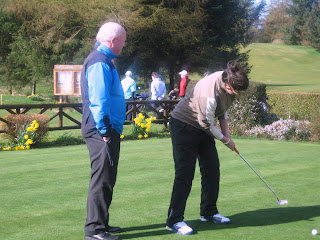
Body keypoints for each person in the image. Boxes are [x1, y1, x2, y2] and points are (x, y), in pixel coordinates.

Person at [166, 61, 249, 235]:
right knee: (185, 174)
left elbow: (222, 110)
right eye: (236, 92)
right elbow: (207, 124)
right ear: (227, 85)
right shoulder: (209, 92)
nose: (238, 95)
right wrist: (225, 140)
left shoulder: (229, 83)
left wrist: (228, 135)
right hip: (184, 125)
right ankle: (174, 221)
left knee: (212, 169)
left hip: (202, 126)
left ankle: (209, 212)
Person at [80, 21, 126, 240]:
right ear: (113, 40)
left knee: (107, 178)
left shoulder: (105, 60)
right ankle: (95, 230)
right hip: (101, 130)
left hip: (104, 129)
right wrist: (105, 130)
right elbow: (99, 99)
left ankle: (102, 225)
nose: (123, 46)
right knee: (102, 179)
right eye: (123, 42)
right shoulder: (99, 62)